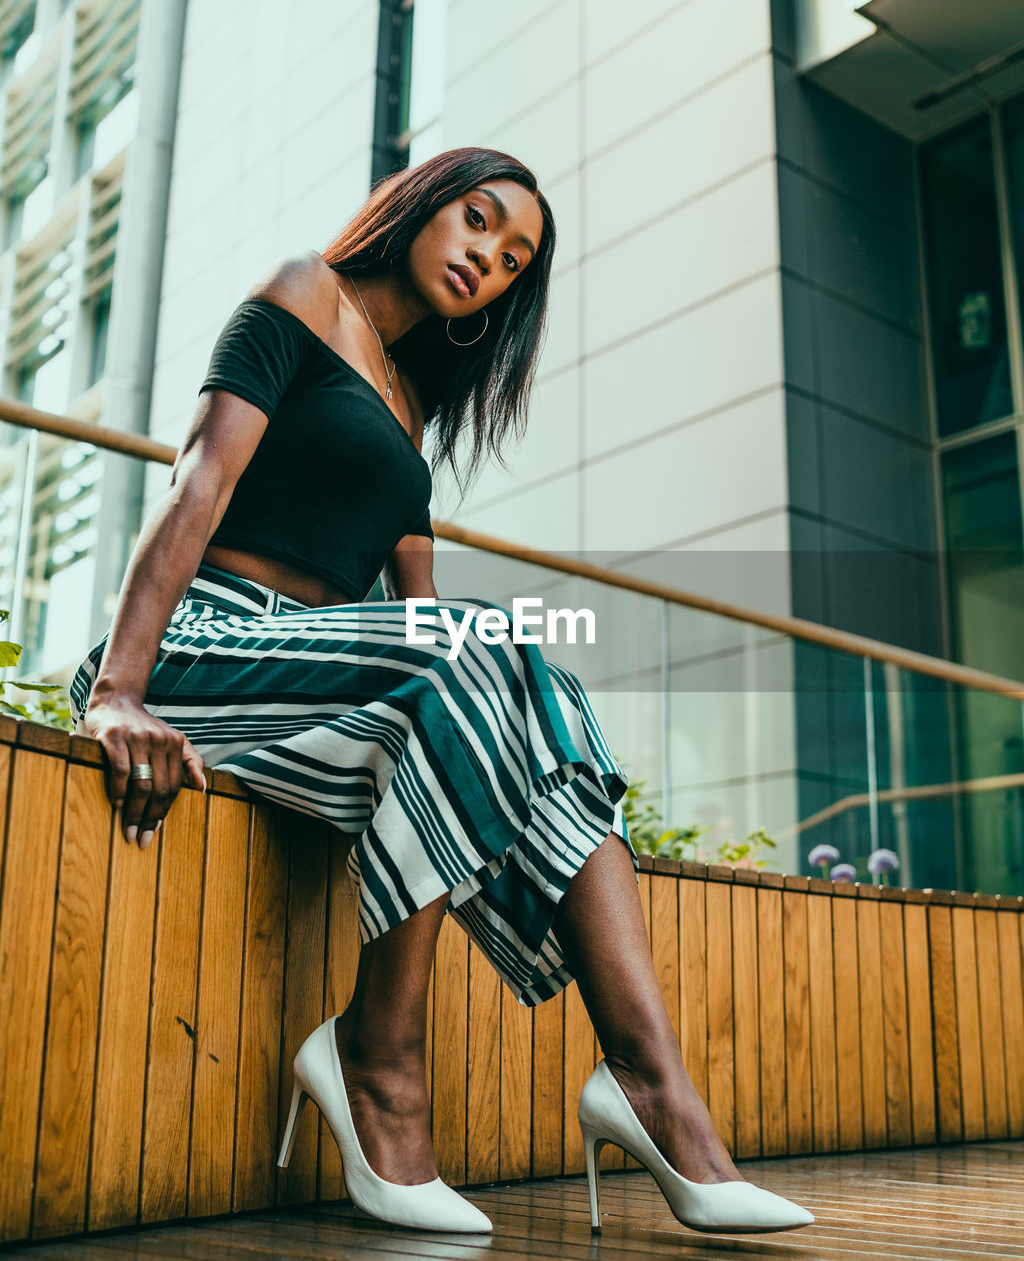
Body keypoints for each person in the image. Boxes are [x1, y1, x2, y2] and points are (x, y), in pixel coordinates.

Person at [69, 147, 813, 1237]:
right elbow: (199, 480)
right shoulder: (301, 296)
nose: (486, 258)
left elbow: (435, 626)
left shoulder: (409, 405)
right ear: (419, 206)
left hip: (320, 679)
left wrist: (518, 709)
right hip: (203, 645)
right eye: (476, 220)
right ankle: (381, 1061)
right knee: (473, 649)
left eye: (512, 259)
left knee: (537, 678)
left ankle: (652, 1086)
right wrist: (121, 688)